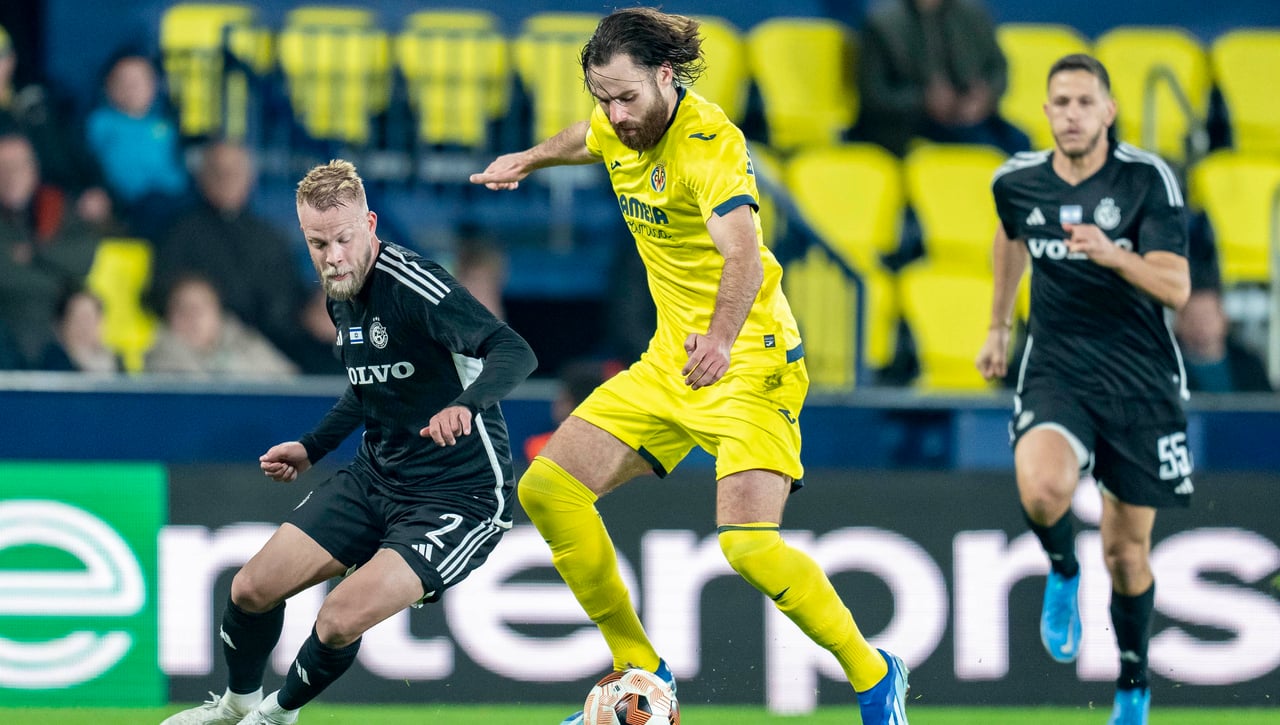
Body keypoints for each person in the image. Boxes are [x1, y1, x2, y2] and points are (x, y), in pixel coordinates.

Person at [471, 9, 909, 725]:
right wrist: (528, 158)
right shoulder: (617, 122)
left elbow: (743, 255)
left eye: (626, 98)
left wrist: (722, 338)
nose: (615, 114)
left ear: (665, 77)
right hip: (671, 362)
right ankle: (641, 668)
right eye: (604, 98)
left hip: (750, 363)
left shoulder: (710, 144)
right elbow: (584, 136)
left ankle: (875, 673)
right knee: (548, 489)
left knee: (748, 546)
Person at [158, 159, 537, 725]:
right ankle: (236, 707)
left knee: (337, 618)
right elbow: (370, 386)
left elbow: (514, 350)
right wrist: (313, 446)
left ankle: (274, 717)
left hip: (460, 497)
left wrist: (466, 404)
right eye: (318, 243)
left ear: (370, 225)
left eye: (343, 239)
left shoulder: (416, 286)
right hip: (376, 478)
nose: (333, 256)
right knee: (250, 588)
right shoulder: (340, 293)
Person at [976, 54, 1193, 725]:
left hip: (1139, 379)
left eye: (1084, 103)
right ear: (1046, 112)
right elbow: (1010, 237)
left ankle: (1133, 684)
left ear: (1109, 111)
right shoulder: (1017, 181)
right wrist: (999, 326)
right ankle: (1062, 569)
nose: (1072, 115)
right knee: (1043, 489)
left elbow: (1176, 287)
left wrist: (1112, 253)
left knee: (1127, 554)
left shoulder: (1146, 179)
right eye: (1061, 103)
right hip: (1058, 368)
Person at [150, 140, 304, 348]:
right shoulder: (179, 232)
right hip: (197, 347)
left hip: (264, 348)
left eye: (235, 171)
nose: (226, 179)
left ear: (249, 178)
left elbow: (289, 304)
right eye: (217, 171)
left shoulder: (270, 237)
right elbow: (162, 295)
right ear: (202, 178)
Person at [852, 0, 1029, 156]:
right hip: (907, 125)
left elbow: (997, 68)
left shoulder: (972, 14)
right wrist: (923, 101)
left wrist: (985, 97)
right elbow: (873, 95)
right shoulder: (883, 23)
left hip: (970, 116)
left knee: (1020, 144)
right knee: (981, 145)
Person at [0, 132, 101, 363]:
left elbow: (84, 259)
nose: (11, 175)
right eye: (3, 167)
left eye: (18, 166)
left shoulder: (56, 206)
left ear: (33, 169)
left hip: (58, 331)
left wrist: (35, 253)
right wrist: (55, 274)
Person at [85, 51, 189, 239]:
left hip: (170, 200)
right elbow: (88, 163)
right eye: (122, 82)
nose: (130, 88)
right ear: (108, 87)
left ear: (154, 86)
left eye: (138, 82)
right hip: (123, 203)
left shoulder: (167, 125)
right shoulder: (100, 123)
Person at [144, 274, 299, 378]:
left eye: (200, 308)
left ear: (218, 313)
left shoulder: (246, 343)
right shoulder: (158, 357)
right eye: (182, 308)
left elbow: (289, 383)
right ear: (169, 316)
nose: (192, 316)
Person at [1174, 288, 1272, 393]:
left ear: (1224, 319)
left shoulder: (1251, 366)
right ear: (1179, 322)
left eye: (1207, 317)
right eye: (1192, 317)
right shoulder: (1167, 367)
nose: (1200, 325)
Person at [33, 285, 121, 373]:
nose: (85, 327)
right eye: (78, 320)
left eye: (90, 319)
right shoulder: (50, 364)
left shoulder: (116, 362)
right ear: (60, 325)